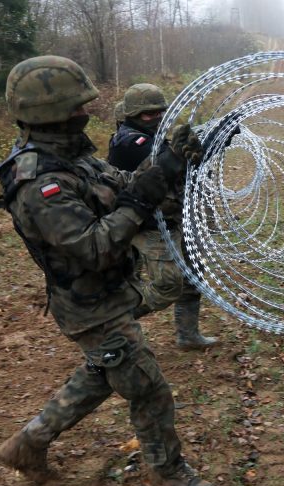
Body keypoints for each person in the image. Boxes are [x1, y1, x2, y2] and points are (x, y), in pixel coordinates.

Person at [0, 55, 217, 486]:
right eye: (77, 107)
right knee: (149, 389)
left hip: (111, 292)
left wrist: (168, 165)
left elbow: (126, 182)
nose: (85, 113)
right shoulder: (40, 183)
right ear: (48, 112)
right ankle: (167, 472)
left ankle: (29, 443)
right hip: (90, 304)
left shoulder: (74, 159)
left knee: (103, 373)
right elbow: (94, 248)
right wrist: (138, 201)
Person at [108, 83, 217, 350]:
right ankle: (113, 323)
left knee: (193, 276)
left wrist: (216, 140)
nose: (156, 117)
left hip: (171, 218)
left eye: (159, 112)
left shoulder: (151, 135)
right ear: (133, 115)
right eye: (148, 113)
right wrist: (181, 153)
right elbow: (162, 166)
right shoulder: (129, 141)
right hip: (147, 223)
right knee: (168, 284)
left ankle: (188, 336)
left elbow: (187, 164)